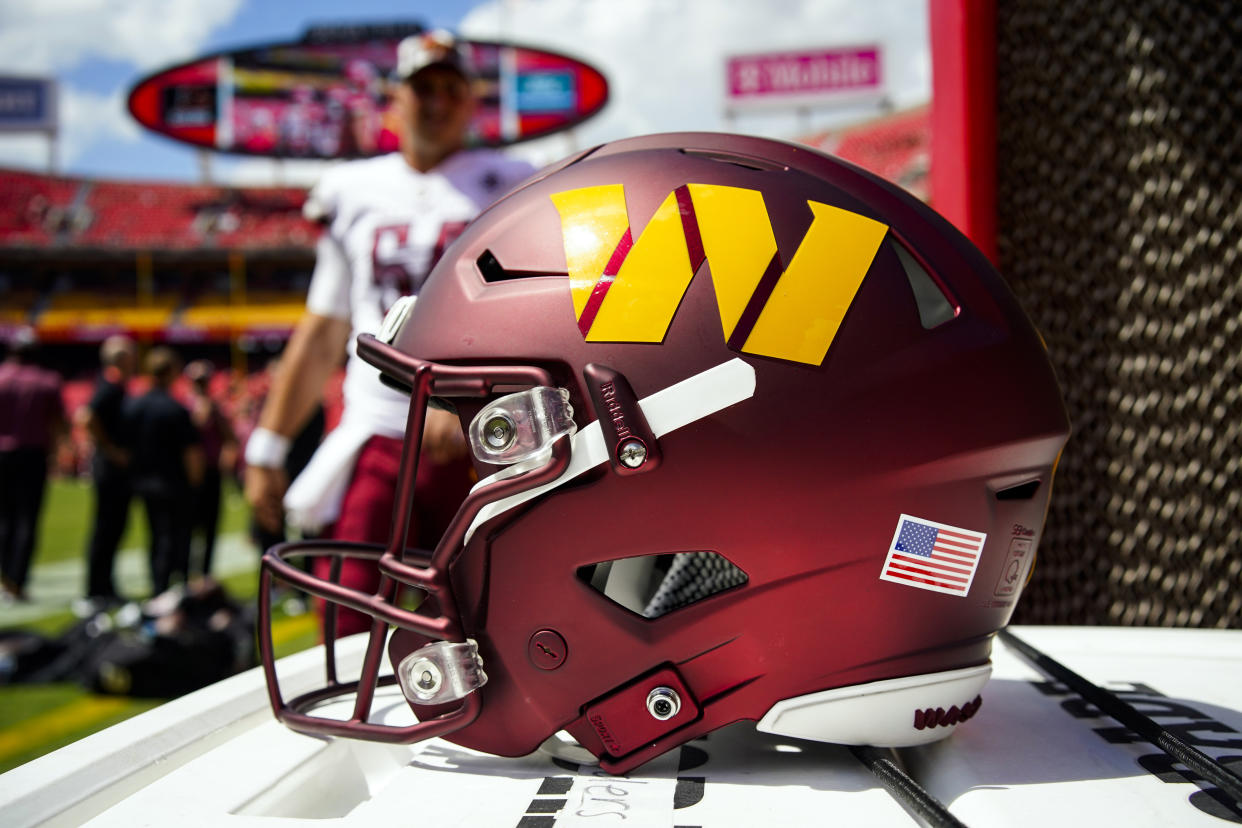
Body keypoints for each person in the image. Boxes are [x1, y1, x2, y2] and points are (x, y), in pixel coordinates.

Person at [244, 30, 535, 636]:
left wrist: (470, 404)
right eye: (421, 88)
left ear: (470, 102)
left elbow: (533, 314)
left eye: (451, 88)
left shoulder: (514, 182)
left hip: (482, 442)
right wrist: (268, 445)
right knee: (346, 626)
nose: (435, 101)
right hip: (379, 434)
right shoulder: (352, 191)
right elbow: (324, 328)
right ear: (394, 102)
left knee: (498, 627)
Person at [127, 347, 203, 596]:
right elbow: (190, 454)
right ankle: (173, 588)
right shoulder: (175, 409)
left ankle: (157, 585)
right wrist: (196, 482)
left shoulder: (134, 406)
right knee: (176, 538)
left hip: (144, 482)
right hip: (174, 484)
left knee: (155, 536)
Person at [0, 329, 65, 602]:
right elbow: (58, 425)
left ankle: (5, 577)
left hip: (2, 455)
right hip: (32, 456)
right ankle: (16, 580)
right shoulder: (47, 381)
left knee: (4, 518)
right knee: (27, 519)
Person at [80, 335, 137, 604]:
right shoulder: (112, 385)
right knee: (107, 528)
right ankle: (97, 589)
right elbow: (87, 416)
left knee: (112, 529)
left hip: (112, 468)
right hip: (110, 470)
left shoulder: (114, 384)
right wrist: (111, 449)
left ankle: (104, 586)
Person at [184, 360, 237, 578]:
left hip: (211, 472)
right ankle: (185, 574)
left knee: (210, 527)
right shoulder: (185, 405)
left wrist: (228, 455)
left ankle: (205, 574)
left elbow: (230, 438)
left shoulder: (215, 407)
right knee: (187, 528)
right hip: (189, 475)